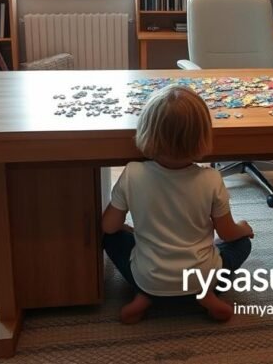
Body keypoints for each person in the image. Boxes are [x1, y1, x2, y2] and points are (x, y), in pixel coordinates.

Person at [102, 85, 254, 324]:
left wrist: (128, 229)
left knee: (110, 238)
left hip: (148, 277)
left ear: (147, 132)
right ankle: (206, 296)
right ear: (203, 136)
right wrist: (244, 229)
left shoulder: (132, 173)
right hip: (202, 276)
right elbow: (227, 233)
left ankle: (145, 296)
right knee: (242, 243)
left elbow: (109, 227)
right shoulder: (211, 179)